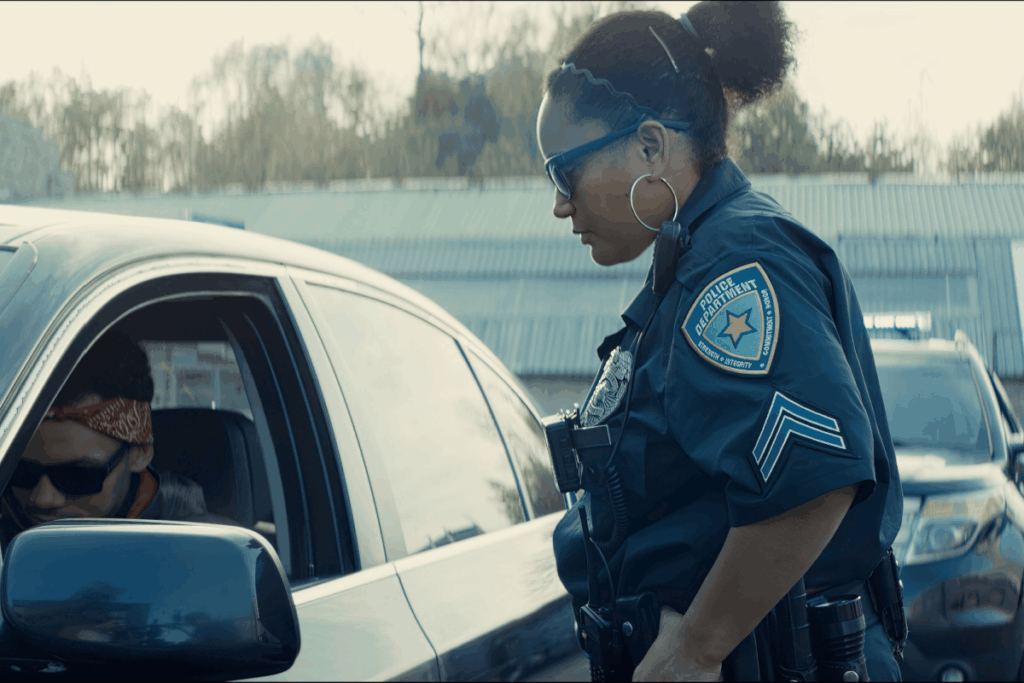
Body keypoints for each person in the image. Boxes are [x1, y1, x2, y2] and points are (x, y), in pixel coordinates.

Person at [538, 3, 904, 682]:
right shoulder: (697, 257)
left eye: (566, 173)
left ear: (651, 147)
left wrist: (697, 646)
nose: (561, 203)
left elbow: (811, 477)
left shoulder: (736, 260)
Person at [0, 330, 235, 554]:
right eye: (21, 473)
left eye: (78, 478)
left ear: (139, 453)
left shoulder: (201, 551)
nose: (42, 499)